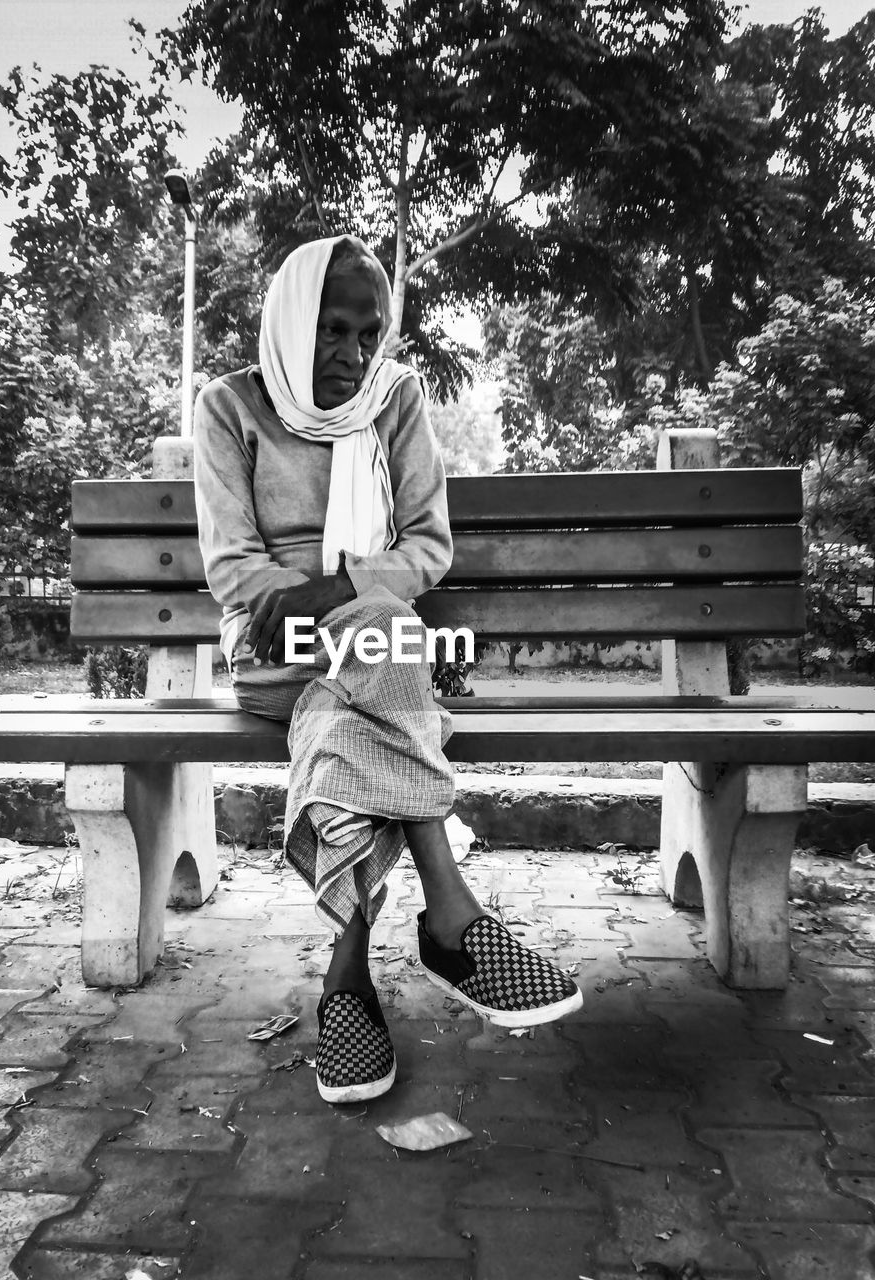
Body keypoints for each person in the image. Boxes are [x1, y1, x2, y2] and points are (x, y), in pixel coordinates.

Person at [193, 234, 582, 1105]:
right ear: (292, 323)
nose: (354, 353)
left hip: (373, 649)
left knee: (354, 700)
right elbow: (234, 568)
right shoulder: (227, 407)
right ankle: (451, 915)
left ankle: (346, 981)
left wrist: (335, 590)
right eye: (332, 329)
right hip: (275, 653)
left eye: (369, 333)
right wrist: (334, 602)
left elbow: (427, 546)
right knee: (387, 640)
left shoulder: (393, 399)